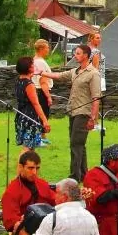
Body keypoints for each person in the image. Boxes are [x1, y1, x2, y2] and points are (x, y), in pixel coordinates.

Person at [43, 45, 101, 181]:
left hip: (84, 113)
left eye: (78, 53)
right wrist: (42, 73)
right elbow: (59, 76)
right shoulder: (75, 71)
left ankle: (74, 176)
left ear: (86, 55)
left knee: (76, 144)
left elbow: (96, 98)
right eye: (75, 53)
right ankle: (83, 174)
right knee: (79, 143)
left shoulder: (93, 73)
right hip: (74, 111)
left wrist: (93, 118)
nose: (75, 56)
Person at [1, 150, 56, 235]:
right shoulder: (12, 191)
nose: (34, 172)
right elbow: (10, 220)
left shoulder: (42, 184)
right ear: (21, 167)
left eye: (37, 168)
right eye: (30, 168)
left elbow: (56, 201)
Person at [14, 57, 50, 150]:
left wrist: (35, 73)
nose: (34, 66)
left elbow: (27, 76)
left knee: (30, 148)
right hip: (30, 118)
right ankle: (21, 165)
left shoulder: (19, 81)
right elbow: (36, 104)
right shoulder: (29, 84)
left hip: (21, 116)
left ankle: (27, 164)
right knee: (27, 149)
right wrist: (45, 120)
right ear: (29, 68)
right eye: (32, 65)